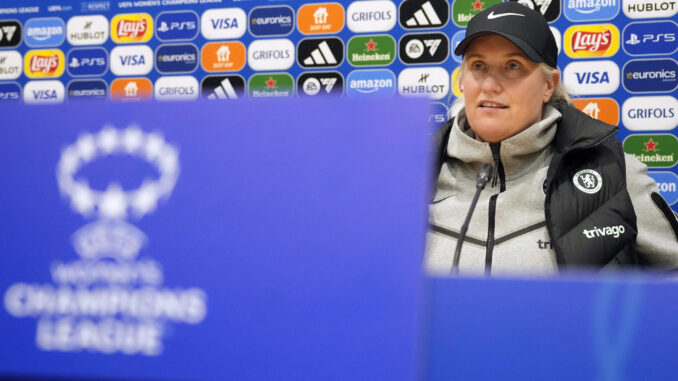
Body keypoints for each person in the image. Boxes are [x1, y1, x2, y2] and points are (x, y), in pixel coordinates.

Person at [425, 2, 678, 277]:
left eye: (512, 66)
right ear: (462, 80)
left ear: (548, 85)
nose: (489, 85)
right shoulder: (411, 175)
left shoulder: (612, 172)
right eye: (478, 65)